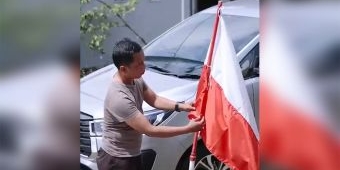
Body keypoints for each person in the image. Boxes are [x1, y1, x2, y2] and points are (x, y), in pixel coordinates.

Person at [96, 38, 204, 170]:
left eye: (143, 61)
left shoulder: (134, 78)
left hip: (131, 155)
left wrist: (181, 106)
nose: (144, 67)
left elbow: (154, 99)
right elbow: (150, 130)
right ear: (123, 69)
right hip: (117, 160)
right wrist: (188, 129)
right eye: (139, 64)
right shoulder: (119, 98)